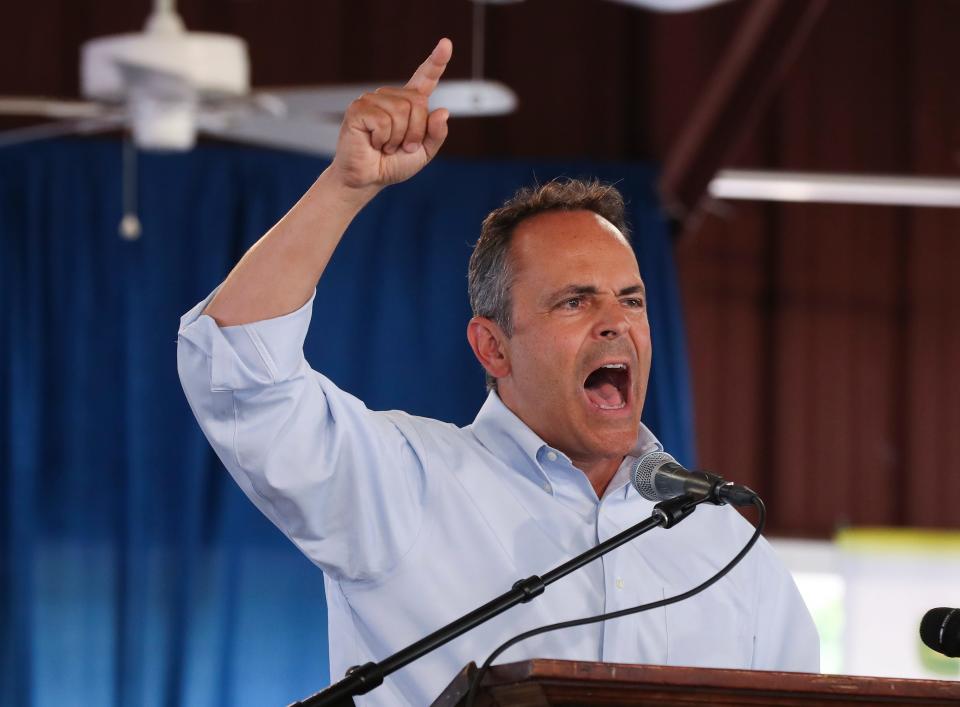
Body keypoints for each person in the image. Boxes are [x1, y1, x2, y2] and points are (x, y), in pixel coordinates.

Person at [177, 38, 819, 706]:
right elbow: (238, 371)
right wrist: (345, 188)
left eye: (630, 299)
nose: (614, 321)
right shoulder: (401, 485)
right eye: (575, 300)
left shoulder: (723, 545)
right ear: (493, 348)